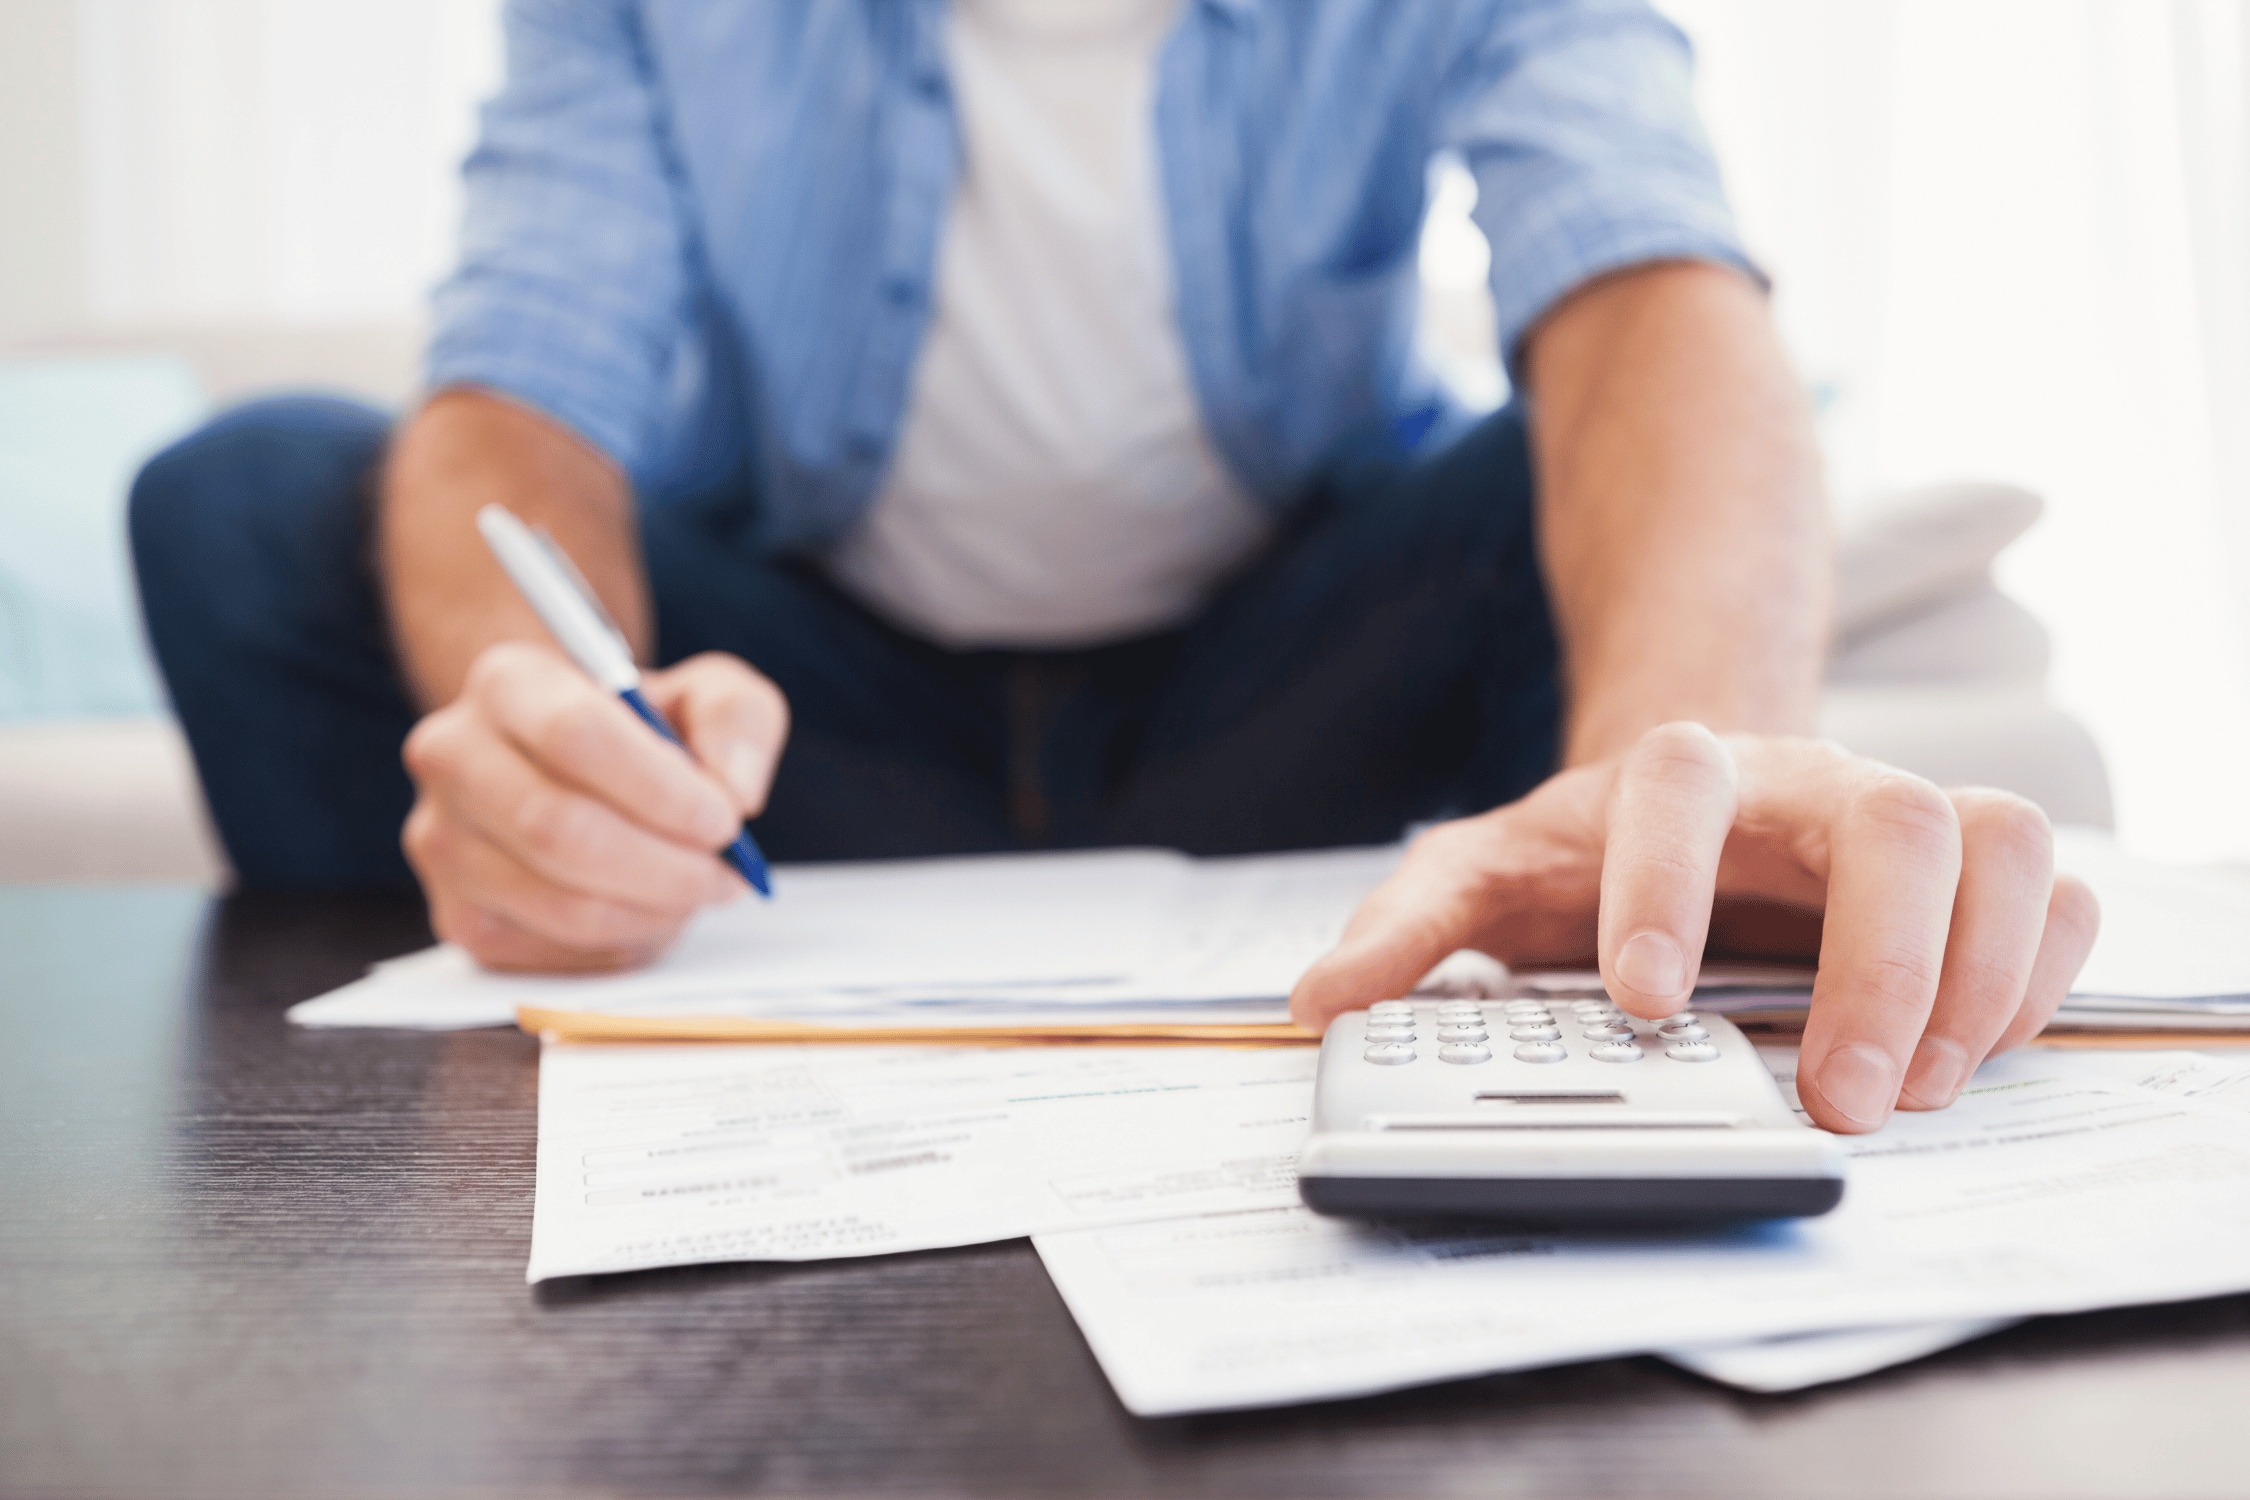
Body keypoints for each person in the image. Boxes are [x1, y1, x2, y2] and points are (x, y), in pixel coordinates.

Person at [131, 0, 2096, 1136]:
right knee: (248, 504)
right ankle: (523, 982)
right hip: (813, 752)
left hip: (1294, 706)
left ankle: (1606, 898)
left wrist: (1691, 764)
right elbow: (517, 393)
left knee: (1544, 481)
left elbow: (1650, 277)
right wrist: (563, 732)